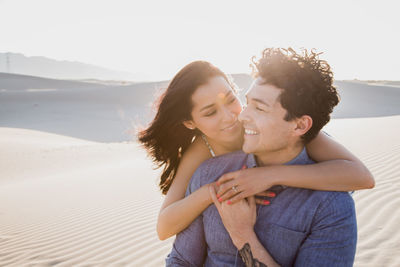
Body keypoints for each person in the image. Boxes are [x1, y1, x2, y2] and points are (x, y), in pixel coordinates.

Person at [138, 59, 374, 241]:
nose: (230, 116)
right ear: (190, 122)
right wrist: (214, 190)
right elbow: (164, 227)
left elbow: (362, 177)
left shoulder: (278, 129)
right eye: (210, 113)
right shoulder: (202, 148)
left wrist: (268, 175)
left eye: (230, 100)